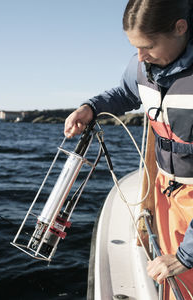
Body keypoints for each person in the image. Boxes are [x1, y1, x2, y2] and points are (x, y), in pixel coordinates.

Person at [64, 0, 193, 298]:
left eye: (147, 45)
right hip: (165, 190)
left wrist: (186, 256)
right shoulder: (142, 64)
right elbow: (124, 93)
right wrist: (91, 107)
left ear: (180, 28)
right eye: (134, 47)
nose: (139, 56)